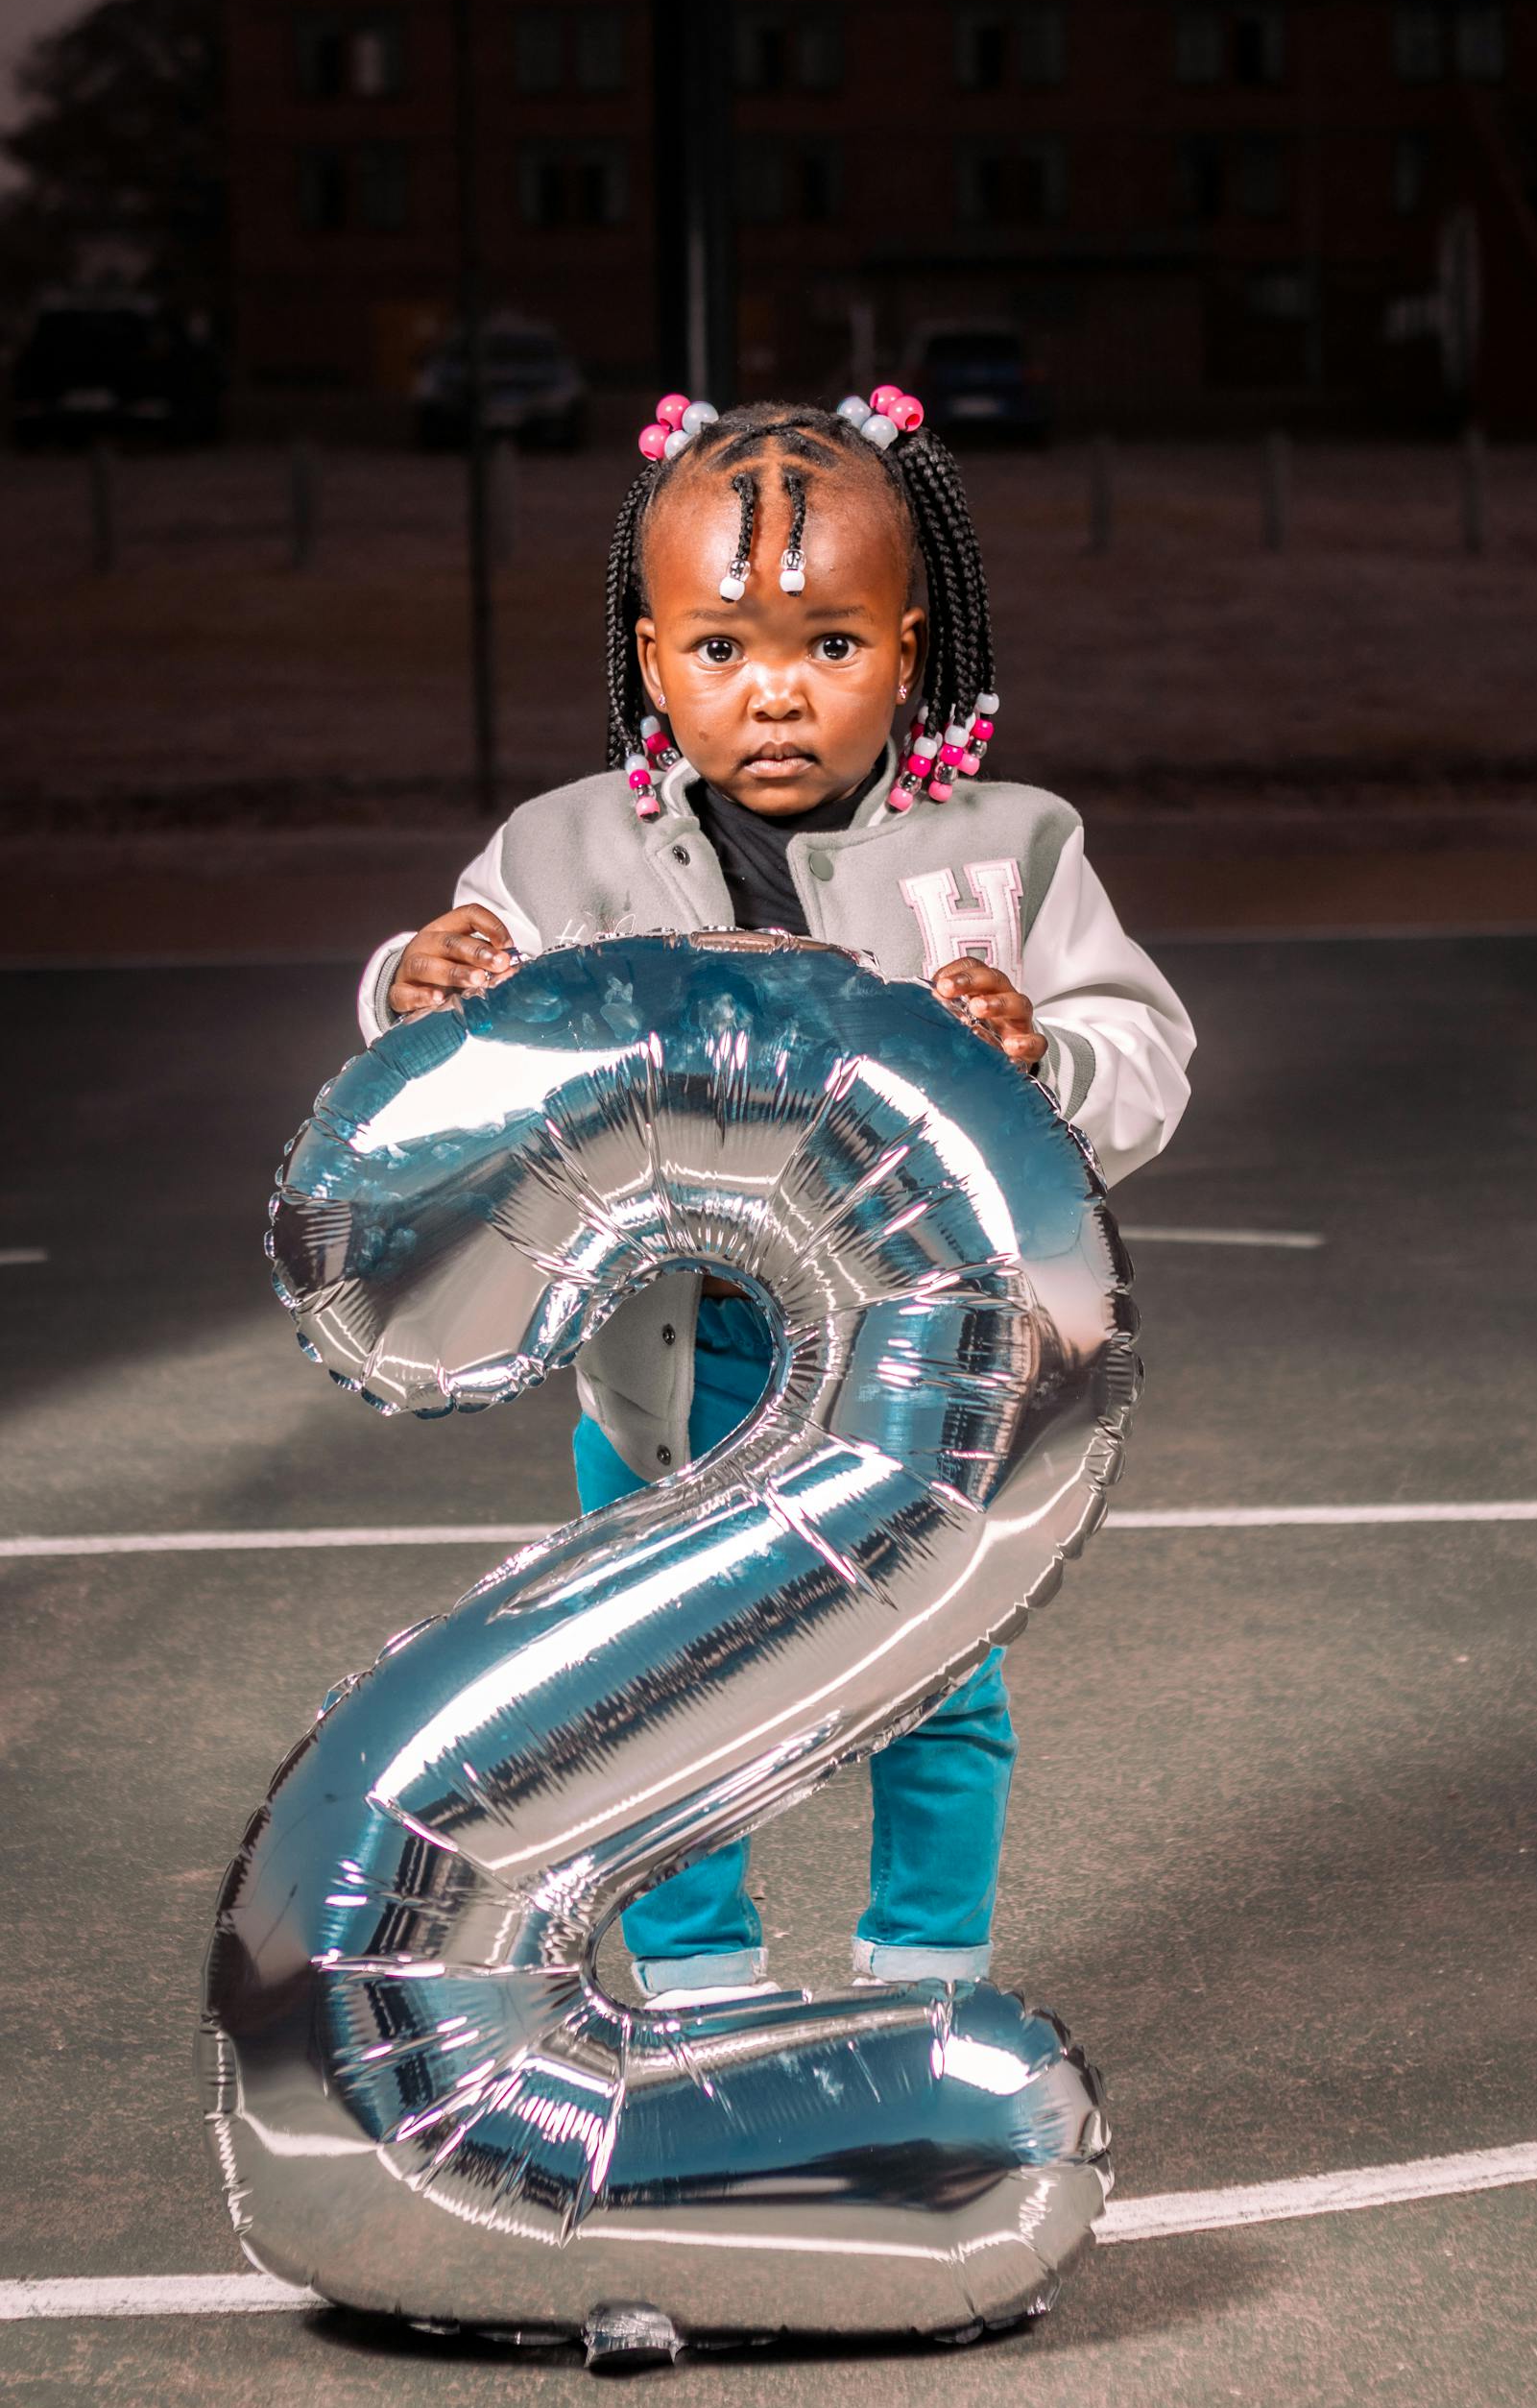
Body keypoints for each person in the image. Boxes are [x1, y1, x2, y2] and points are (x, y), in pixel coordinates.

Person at [356, 387, 1194, 2012]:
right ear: (655, 661)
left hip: (931, 1376)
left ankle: (921, 1989)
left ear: (908, 645)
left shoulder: (1007, 848)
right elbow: (453, 1074)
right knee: (662, 1681)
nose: (777, 696)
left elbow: (1142, 1047)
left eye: (827, 647)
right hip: (667, 1371)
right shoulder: (556, 854)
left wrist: (1046, 1058)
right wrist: (411, 985)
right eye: (724, 651)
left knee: (940, 1684)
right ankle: (698, 2000)